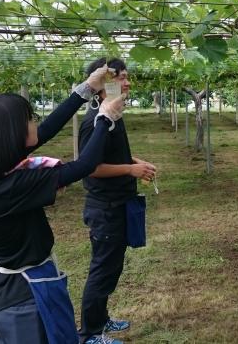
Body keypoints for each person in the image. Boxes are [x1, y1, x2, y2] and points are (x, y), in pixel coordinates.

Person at [0, 66, 124, 344]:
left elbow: (45, 131)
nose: (36, 121)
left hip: (6, 285)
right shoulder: (12, 188)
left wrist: (86, 89)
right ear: (8, 135)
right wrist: (105, 119)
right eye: (30, 118)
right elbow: (84, 165)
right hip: (25, 296)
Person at [78, 58, 156, 344]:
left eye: (126, 76)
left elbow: (110, 156)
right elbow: (91, 166)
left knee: (112, 267)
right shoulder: (94, 123)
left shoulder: (112, 115)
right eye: (121, 77)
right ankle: (89, 334)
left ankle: (100, 319)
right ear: (101, 85)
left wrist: (136, 163)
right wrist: (130, 169)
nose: (127, 82)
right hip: (105, 209)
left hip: (118, 205)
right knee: (102, 271)